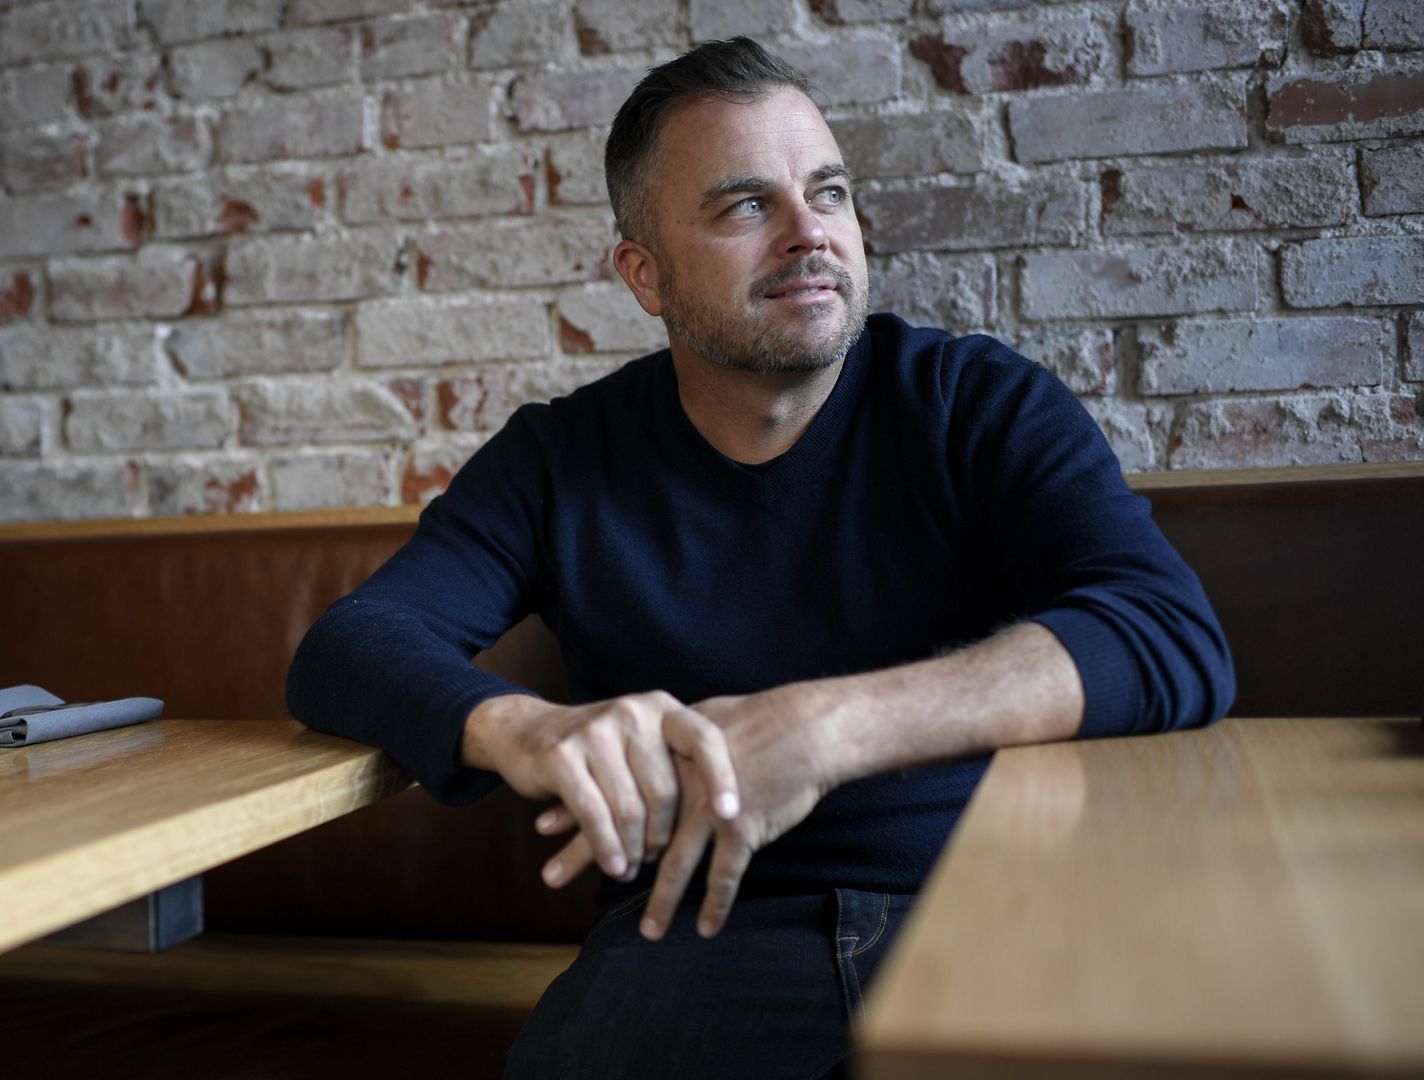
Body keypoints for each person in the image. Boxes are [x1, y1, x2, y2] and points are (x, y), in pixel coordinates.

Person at [285, 36, 1234, 1080]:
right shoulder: (560, 459)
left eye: (826, 192)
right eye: (745, 207)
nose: (809, 233)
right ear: (643, 273)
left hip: (994, 903)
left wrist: (829, 728)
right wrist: (527, 727)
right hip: (695, 943)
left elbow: (1167, 633)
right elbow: (350, 645)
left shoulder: (979, 402)